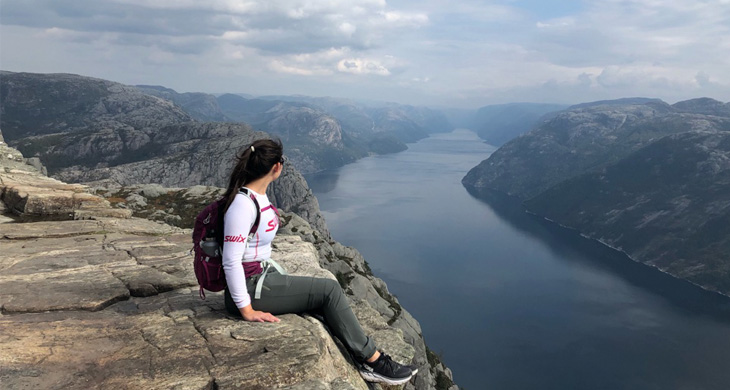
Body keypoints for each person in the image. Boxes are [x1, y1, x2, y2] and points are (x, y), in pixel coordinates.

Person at [221, 139, 417, 385]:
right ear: (277, 167)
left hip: (261, 278)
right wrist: (246, 310)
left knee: (320, 294)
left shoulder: (257, 196)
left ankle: (356, 351)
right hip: (250, 288)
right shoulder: (242, 205)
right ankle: (373, 361)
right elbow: (230, 261)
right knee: (329, 290)